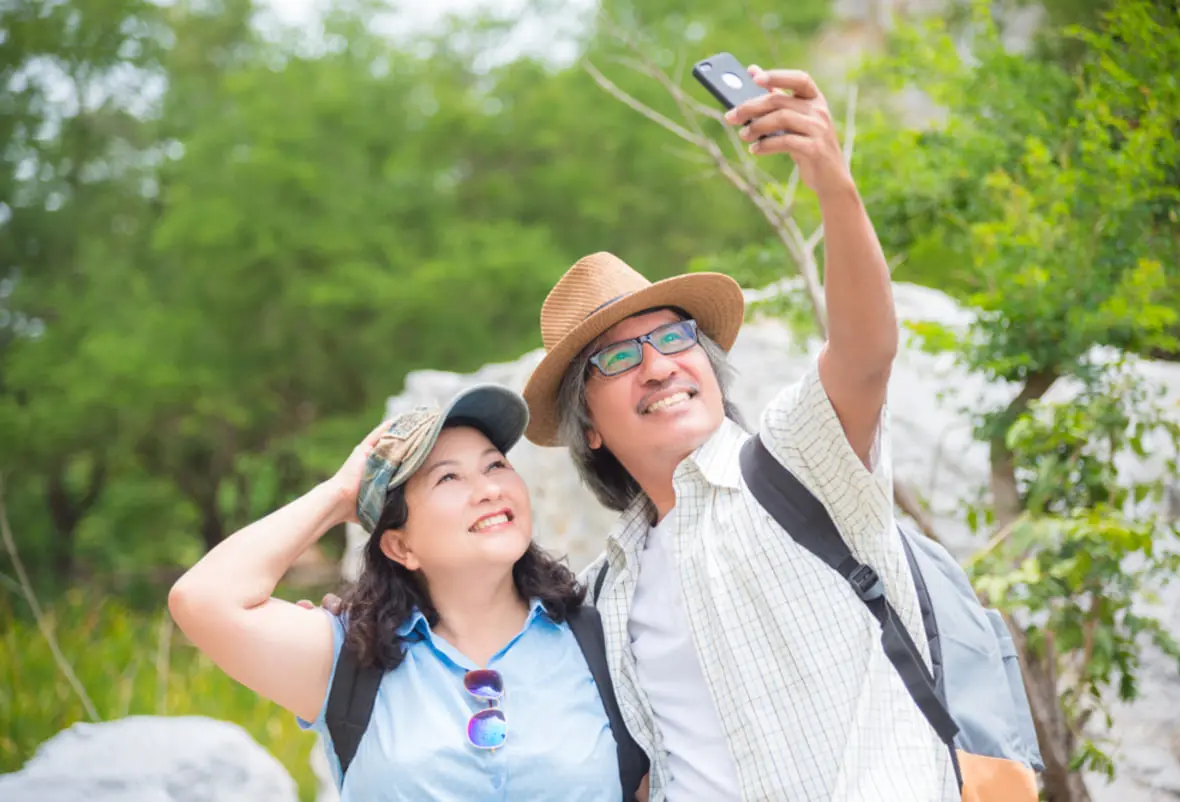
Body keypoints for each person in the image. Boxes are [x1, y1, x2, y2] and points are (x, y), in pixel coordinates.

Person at [517, 65, 958, 801]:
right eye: (618, 357)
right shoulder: (608, 589)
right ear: (587, 424)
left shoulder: (796, 460)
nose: (658, 367)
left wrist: (831, 184)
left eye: (674, 337)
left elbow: (865, 353)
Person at [168, 384, 642, 801]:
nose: (488, 489)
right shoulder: (349, 657)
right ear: (400, 545)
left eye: (495, 465)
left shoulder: (602, 636)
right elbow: (203, 599)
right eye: (448, 477)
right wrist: (338, 495)